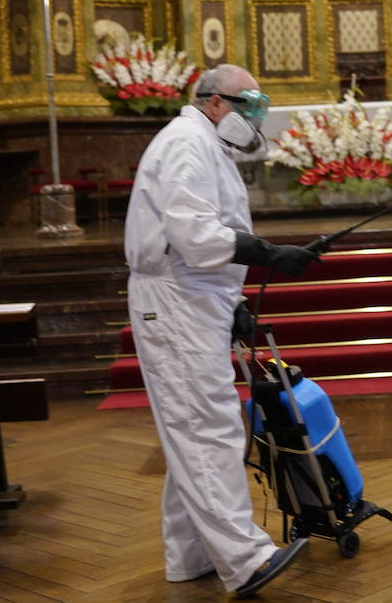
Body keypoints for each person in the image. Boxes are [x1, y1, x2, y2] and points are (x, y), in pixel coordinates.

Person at [125, 63, 318, 598]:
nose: (256, 117)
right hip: (176, 300)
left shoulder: (206, 143)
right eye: (248, 104)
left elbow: (205, 233)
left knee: (190, 428)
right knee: (205, 426)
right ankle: (245, 558)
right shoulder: (187, 141)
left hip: (195, 296)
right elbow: (196, 235)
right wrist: (272, 255)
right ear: (214, 103)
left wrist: (232, 300)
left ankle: (191, 557)